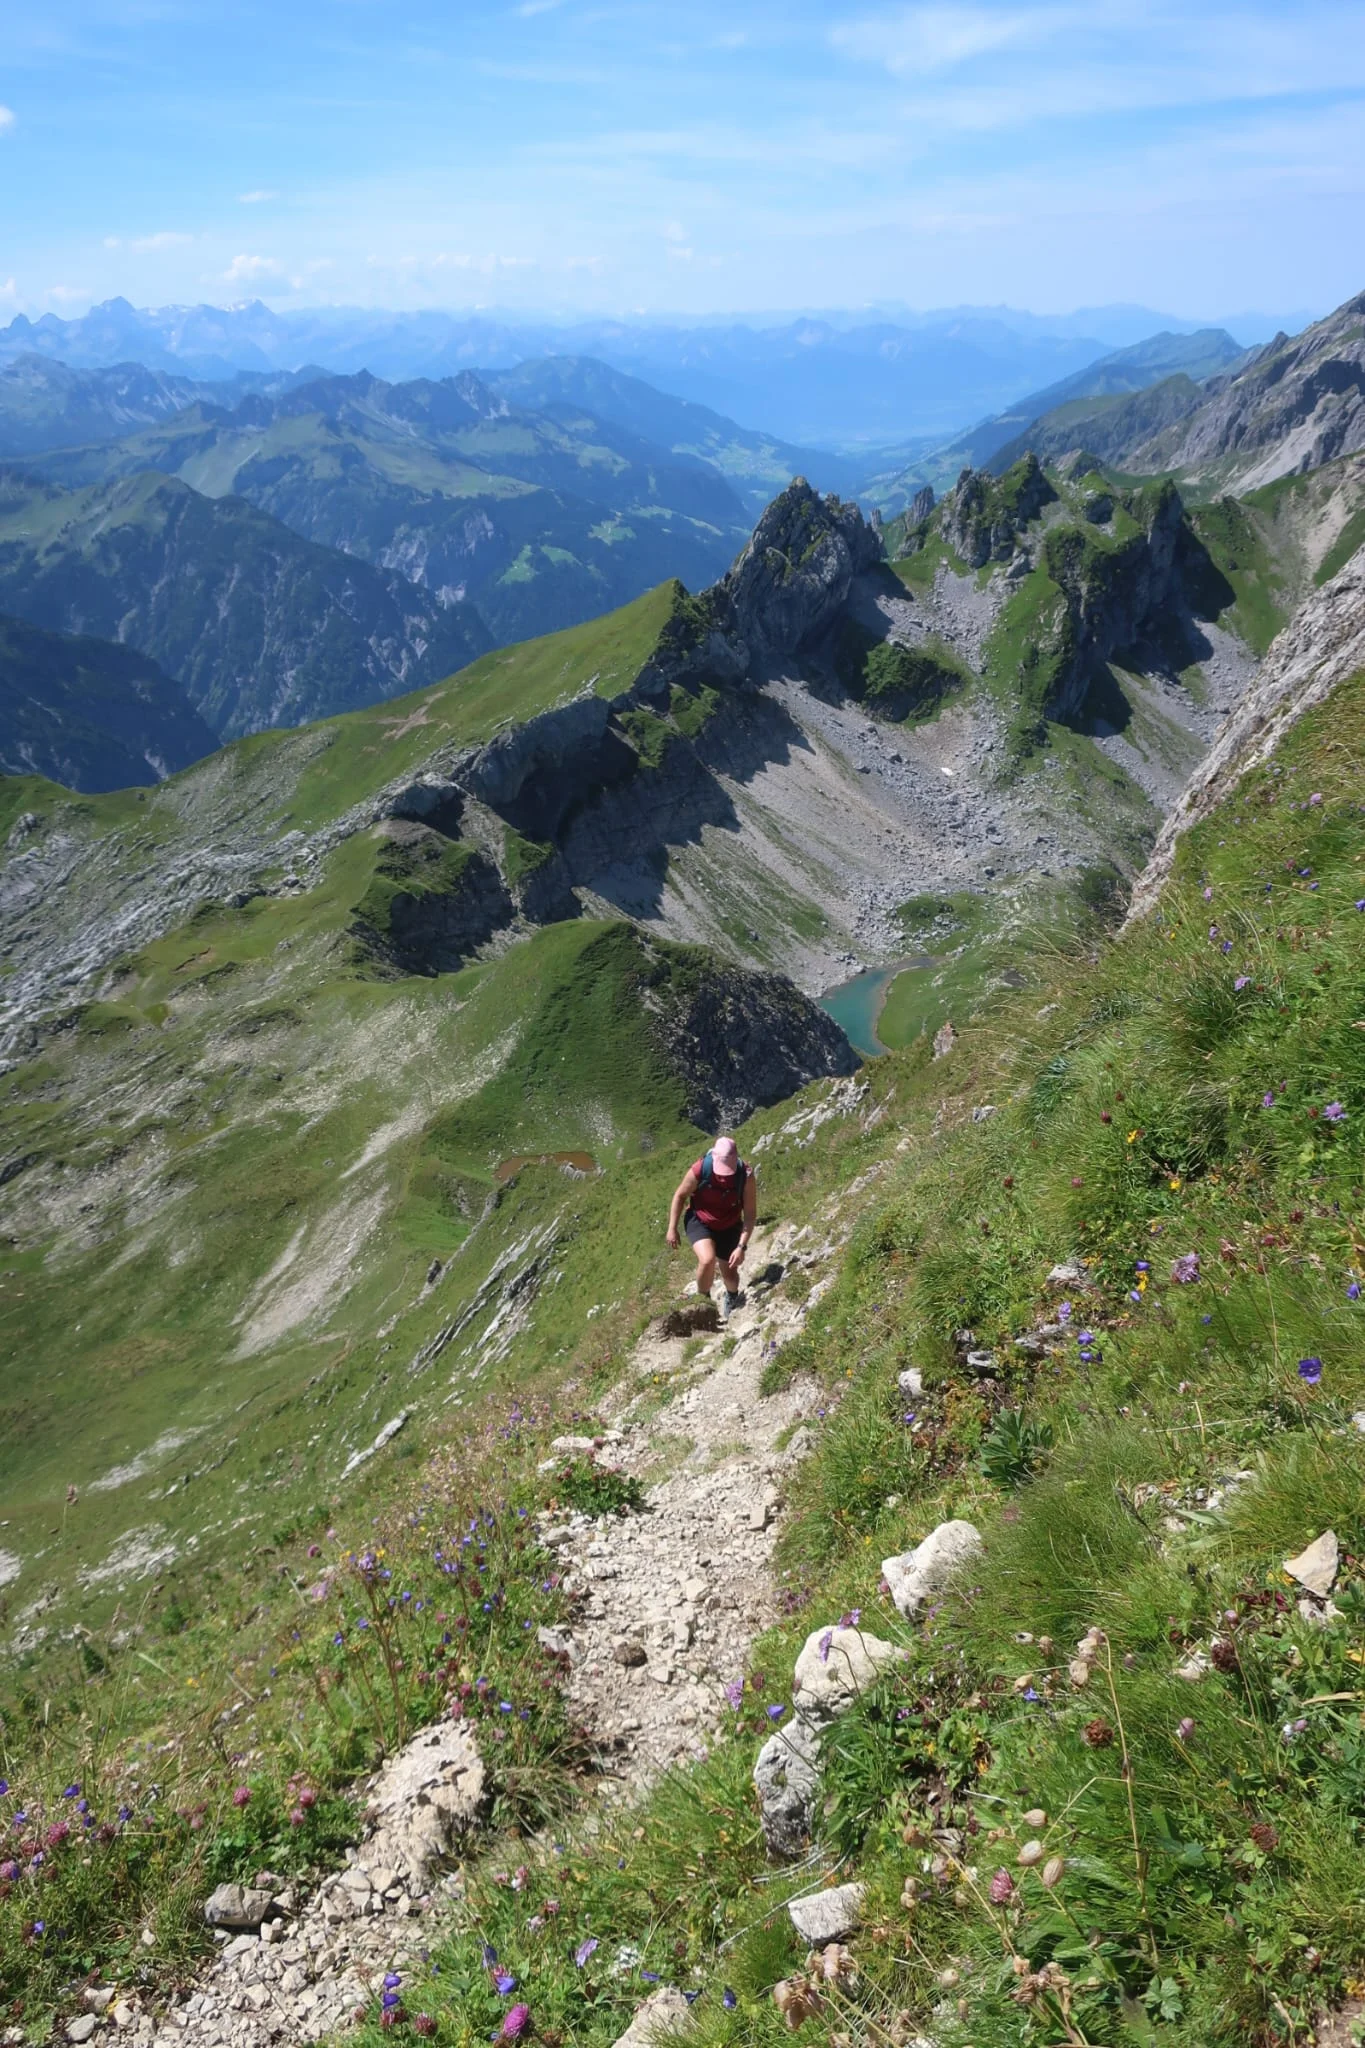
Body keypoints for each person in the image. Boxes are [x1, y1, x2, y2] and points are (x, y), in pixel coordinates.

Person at [666, 1135, 757, 1320]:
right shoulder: (701, 1169)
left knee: (730, 1277)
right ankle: (704, 1301)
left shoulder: (745, 1176)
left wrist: (741, 1247)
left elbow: (749, 1214)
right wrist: (672, 1228)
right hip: (700, 1220)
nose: (724, 1176)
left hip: (730, 1225)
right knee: (707, 1260)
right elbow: (680, 1195)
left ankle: (731, 1296)